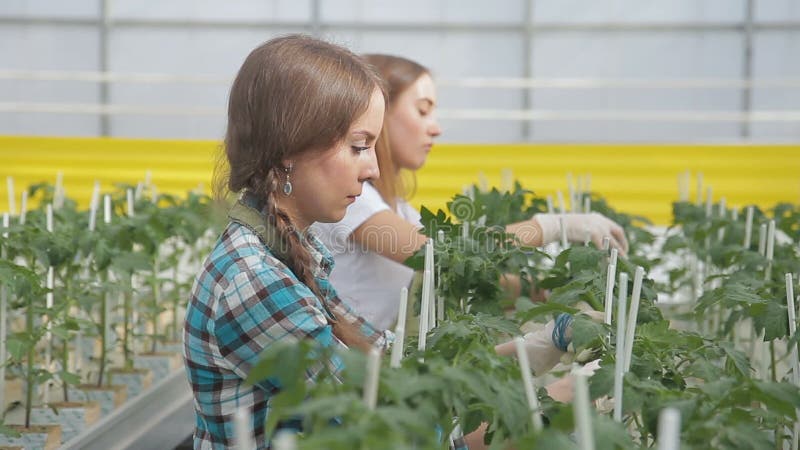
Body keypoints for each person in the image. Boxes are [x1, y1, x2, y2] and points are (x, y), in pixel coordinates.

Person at [311, 54, 629, 331]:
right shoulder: (352, 199)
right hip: (330, 375)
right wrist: (552, 227)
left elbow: (462, 278)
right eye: (422, 111)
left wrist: (556, 293)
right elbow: (444, 255)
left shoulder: (399, 210)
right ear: (377, 113)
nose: (436, 128)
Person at [183, 35, 392, 448]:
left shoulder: (288, 251)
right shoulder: (254, 281)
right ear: (287, 151)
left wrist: (532, 348)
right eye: (359, 146)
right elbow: (375, 410)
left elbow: (382, 357)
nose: (373, 169)